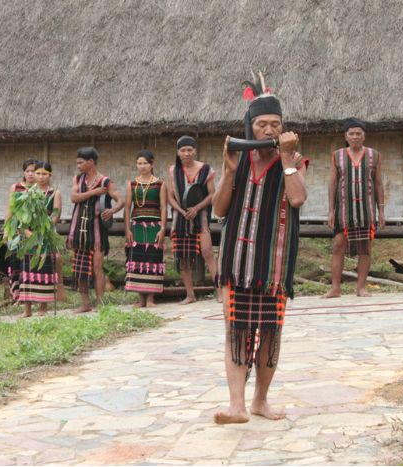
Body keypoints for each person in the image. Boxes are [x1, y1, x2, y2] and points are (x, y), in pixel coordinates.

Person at [213, 74, 308, 424]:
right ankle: (236, 406)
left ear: (285, 129)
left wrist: (286, 158)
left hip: (273, 266)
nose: (269, 130)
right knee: (236, 332)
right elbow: (219, 210)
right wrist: (227, 171)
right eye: (261, 124)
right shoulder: (237, 159)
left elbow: (297, 197)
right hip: (237, 262)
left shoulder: (293, 160)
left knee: (270, 331)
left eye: (276, 124)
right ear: (249, 127)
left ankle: (260, 401)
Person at [325, 118, 386, 298]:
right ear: (346, 136)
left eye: (358, 133)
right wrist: (331, 210)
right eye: (351, 134)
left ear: (364, 136)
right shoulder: (338, 155)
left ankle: (361, 288)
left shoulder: (374, 155)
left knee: (365, 248)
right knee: (338, 245)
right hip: (344, 210)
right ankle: (335, 288)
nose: (355, 137)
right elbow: (333, 183)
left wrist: (381, 210)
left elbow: (378, 183)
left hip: (366, 210)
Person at [67, 147, 124, 312]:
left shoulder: (106, 181)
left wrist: (112, 211)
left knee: (97, 266)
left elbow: (121, 200)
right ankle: (84, 304)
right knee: (81, 268)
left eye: (80, 162)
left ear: (91, 162)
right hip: (79, 229)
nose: (78, 166)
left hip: (97, 230)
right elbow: (74, 198)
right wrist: (94, 192)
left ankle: (100, 304)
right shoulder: (78, 179)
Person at [167, 136, 221, 304]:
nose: (187, 153)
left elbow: (212, 194)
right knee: (183, 257)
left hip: (201, 217)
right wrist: (181, 211)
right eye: (183, 150)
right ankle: (190, 295)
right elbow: (170, 196)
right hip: (180, 219)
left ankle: (220, 292)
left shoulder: (206, 170)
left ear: (195, 151)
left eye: (190, 150)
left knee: (207, 253)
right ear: (178, 152)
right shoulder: (173, 170)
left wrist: (197, 208)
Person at [11, 161, 62, 317]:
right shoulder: (27, 192)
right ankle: (27, 310)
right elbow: (20, 216)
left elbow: (55, 215)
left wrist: (44, 229)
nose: (40, 177)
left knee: (44, 268)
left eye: (44, 174)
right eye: (38, 173)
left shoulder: (55, 193)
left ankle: (43, 307)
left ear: (50, 175)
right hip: (29, 237)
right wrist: (26, 232)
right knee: (27, 270)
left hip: (46, 236)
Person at [124, 150, 167, 307]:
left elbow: (163, 207)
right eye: (139, 163)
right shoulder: (132, 184)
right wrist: (127, 229)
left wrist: (163, 229)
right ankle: (141, 299)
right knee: (138, 260)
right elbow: (127, 207)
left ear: (152, 164)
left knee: (153, 259)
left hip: (154, 227)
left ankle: (150, 298)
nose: (142, 166)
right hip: (137, 227)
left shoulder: (160, 184)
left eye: (145, 163)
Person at [0, 158, 38, 302]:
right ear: (23, 173)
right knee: (16, 261)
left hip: (34, 230)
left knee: (32, 262)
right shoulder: (16, 187)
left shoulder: (40, 189)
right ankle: (17, 296)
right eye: (27, 171)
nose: (30, 174)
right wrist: (7, 230)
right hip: (17, 229)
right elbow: (10, 208)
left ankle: (32, 295)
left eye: (33, 171)